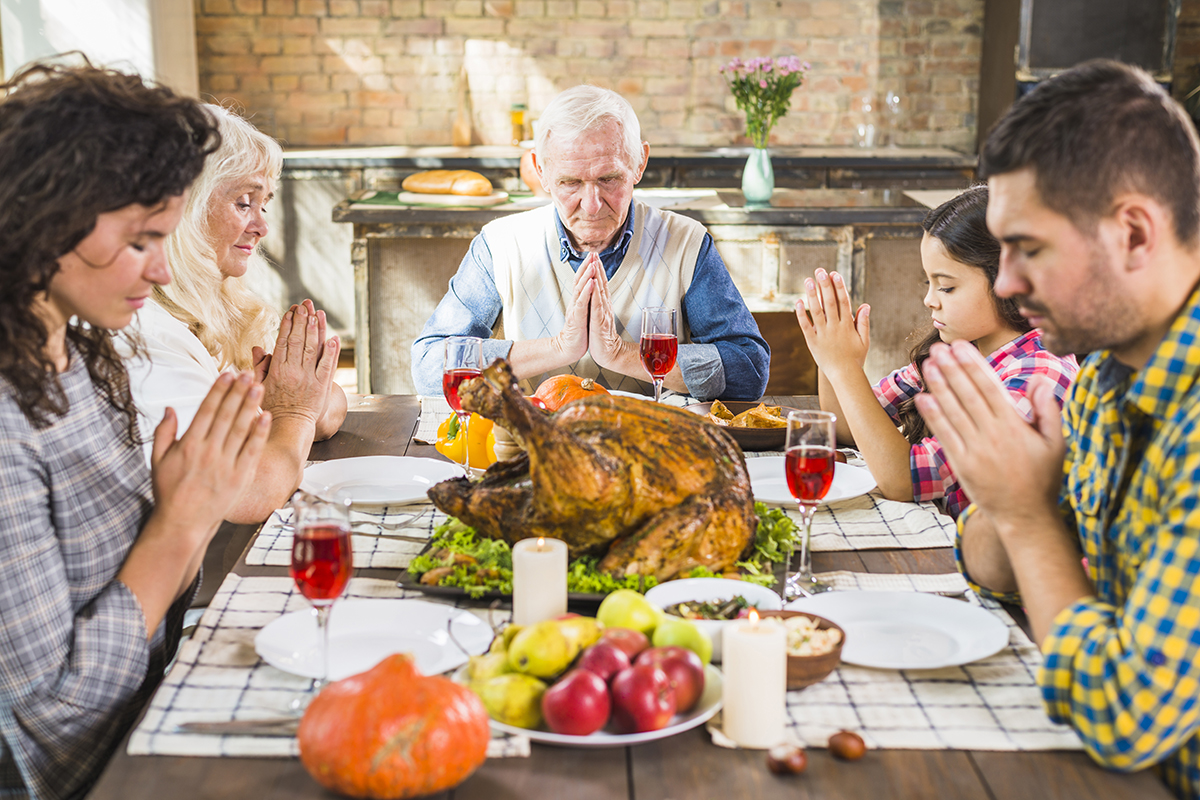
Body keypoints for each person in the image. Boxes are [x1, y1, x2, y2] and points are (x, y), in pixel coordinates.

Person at [914, 60, 1200, 798]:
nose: (1005, 282)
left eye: (1029, 249)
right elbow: (992, 569)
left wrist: (1024, 515)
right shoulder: (1104, 378)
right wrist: (1007, 500)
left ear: (1134, 232)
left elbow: (1124, 715)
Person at [0, 63, 270, 800]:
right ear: (48, 219)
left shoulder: (82, 354)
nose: (159, 271)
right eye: (140, 241)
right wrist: (182, 524)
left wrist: (189, 507)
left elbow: (152, 601)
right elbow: (50, 711)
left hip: (150, 713)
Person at [410, 85, 770, 400]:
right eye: (570, 183)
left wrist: (622, 354)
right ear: (541, 171)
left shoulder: (686, 243)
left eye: (609, 178)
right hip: (534, 450)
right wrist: (556, 349)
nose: (592, 204)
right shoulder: (501, 244)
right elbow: (429, 366)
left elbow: (749, 370)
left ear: (639, 163)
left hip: (650, 447)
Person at [122, 105, 347, 524]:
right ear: (182, 210)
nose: (262, 226)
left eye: (265, 204)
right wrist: (292, 412)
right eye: (244, 202)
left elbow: (331, 408)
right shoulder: (146, 331)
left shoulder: (217, 305)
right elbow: (249, 494)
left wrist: (288, 407)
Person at [795, 186, 1077, 517]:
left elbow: (905, 480)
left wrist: (844, 369)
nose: (930, 299)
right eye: (927, 283)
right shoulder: (960, 346)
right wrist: (832, 356)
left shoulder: (1038, 376)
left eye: (946, 286)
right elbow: (845, 431)